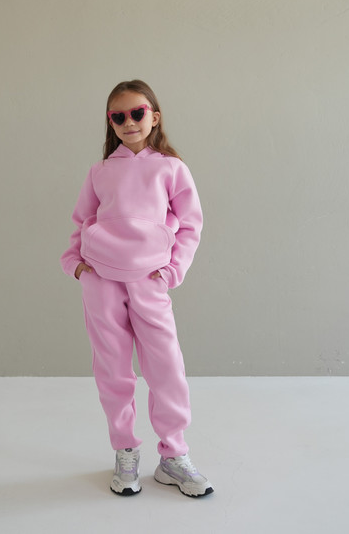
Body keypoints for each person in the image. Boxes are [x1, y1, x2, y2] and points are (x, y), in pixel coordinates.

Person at [60, 80, 213, 498]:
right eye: (118, 116)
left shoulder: (171, 168)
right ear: (110, 122)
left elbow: (191, 224)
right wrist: (76, 266)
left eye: (137, 113)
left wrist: (172, 271)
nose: (129, 122)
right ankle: (125, 450)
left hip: (149, 279)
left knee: (166, 366)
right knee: (112, 368)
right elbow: (81, 220)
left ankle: (173, 455)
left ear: (154, 116)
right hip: (102, 280)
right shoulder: (100, 171)